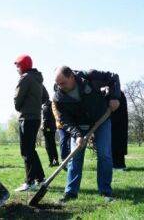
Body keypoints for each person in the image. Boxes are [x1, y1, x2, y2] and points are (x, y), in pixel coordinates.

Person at [53, 66, 121, 203]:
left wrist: (114, 97)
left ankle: (105, 192)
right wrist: (77, 135)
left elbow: (114, 77)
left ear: (72, 77)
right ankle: (71, 193)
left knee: (104, 154)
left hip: (101, 119)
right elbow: (64, 120)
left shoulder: (91, 76)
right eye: (57, 84)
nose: (60, 86)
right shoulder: (58, 96)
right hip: (78, 125)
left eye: (63, 83)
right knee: (75, 157)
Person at [13, 54, 46, 192]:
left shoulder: (25, 78)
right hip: (36, 117)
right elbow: (46, 97)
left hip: (26, 118)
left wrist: (22, 107)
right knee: (30, 149)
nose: (17, 69)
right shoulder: (37, 79)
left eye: (18, 66)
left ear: (23, 66)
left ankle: (30, 181)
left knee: (26, 151)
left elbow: (17, 100)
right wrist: (35, 105)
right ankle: (40, 178)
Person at [41, 86, 59, 167]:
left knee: (48, 146)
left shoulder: (45, 106)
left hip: (47, 129)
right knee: (53, 145)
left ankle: (51, 161)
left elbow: (45, 119)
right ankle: (56, 160)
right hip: (53, 128)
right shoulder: (51, 103)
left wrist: (43, 127)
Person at [111, 91, 128, 170]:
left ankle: (118, 165)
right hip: (115, 123)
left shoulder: (118, 94)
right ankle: (116, 164)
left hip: (118, 123)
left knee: (118, 143)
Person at [52, 99, 71, 164]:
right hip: (61, 124)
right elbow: (55, 110)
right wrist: (58, 118)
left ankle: (70, 158)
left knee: (71, 142)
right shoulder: (55, 98)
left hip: (71, 123)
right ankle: (63, 159)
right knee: (64, 139)